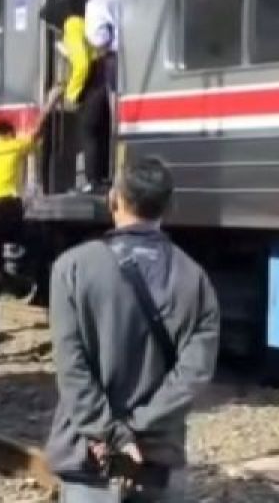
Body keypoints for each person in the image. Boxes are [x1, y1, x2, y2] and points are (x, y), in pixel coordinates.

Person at [47, 156, 220, 502]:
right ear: (169, 206)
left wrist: (111, 434)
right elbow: (194, 375)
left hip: (88, 457)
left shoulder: (72, 268)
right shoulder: (195, 278)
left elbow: (71, 367)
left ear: (113, 199)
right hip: (158, 458)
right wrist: (138, 428)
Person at [0, 89, 62, 360]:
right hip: (6, 212)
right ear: (8, 134)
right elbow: (37, 130)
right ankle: (30, 280)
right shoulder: (12, 145)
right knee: (43, 242)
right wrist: (52, 101)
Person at [41, 0, 106, 191]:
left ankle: (91, 182)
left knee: (87, 131)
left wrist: (71, 94)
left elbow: (82, 64)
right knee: (98, 130)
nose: (52, 30)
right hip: (101, 77)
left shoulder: (71, 26)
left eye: (50, 26)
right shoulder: (81, 21)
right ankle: (98, 179)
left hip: (93, 81)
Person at [79, 0, 120, 193]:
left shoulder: (96, 1)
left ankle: (103, 180)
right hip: (138, 54)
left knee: (106, 122)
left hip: (114, 60)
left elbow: (100, 39)